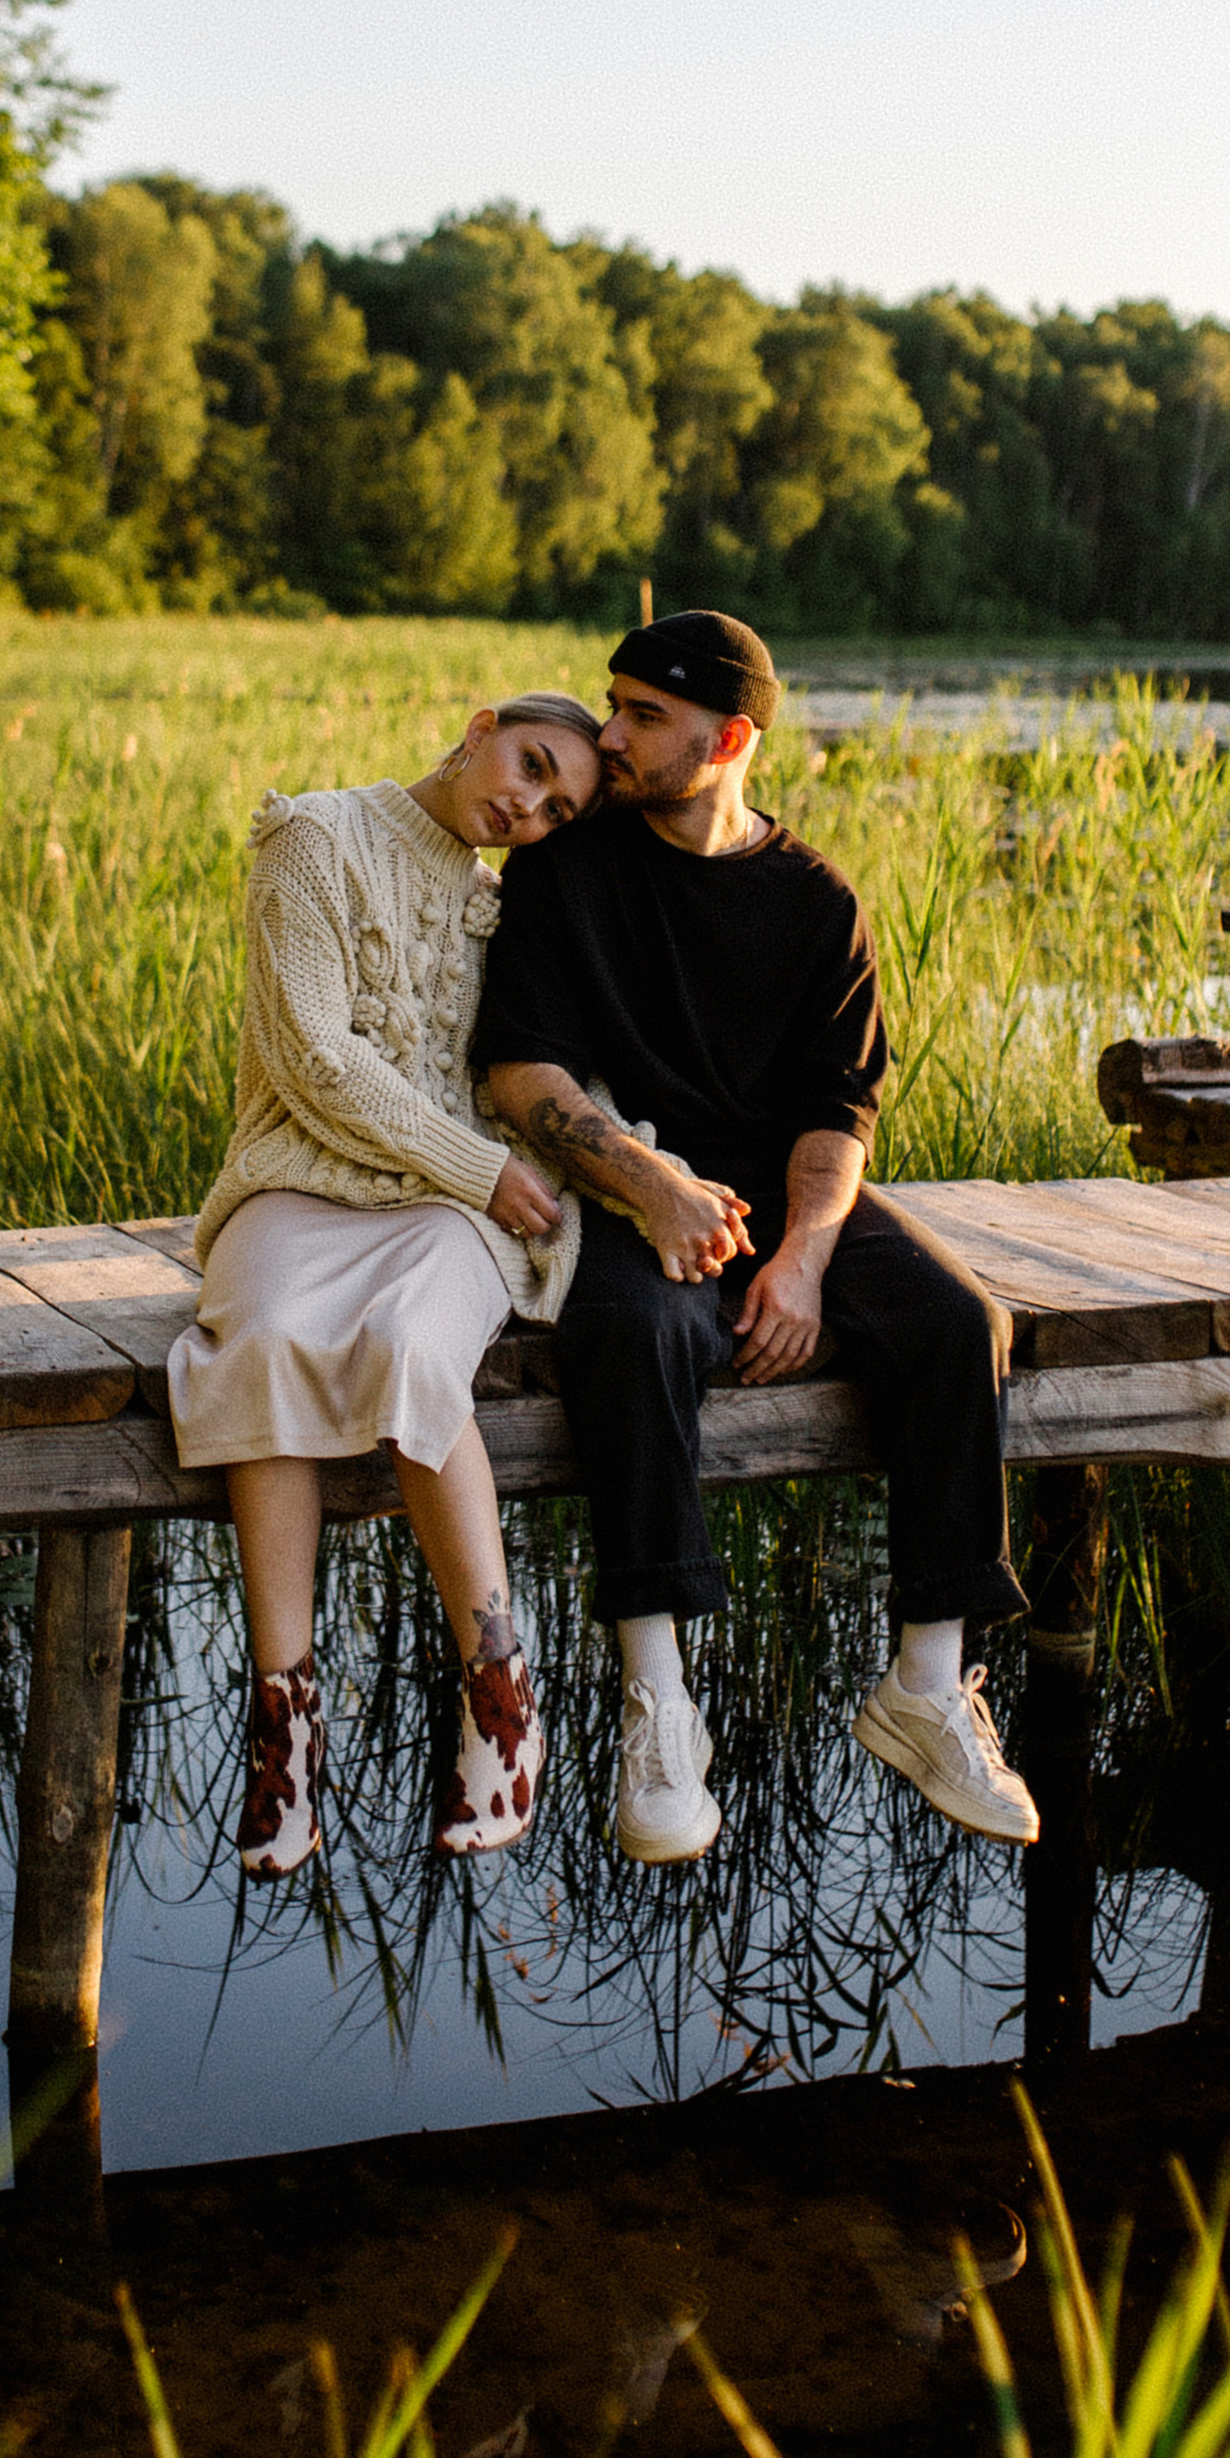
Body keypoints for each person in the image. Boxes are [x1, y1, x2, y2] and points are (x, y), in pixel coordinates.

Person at [475, 608, 1034, 1866]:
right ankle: (657, 1704)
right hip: (629, 1173)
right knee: (633, 1327)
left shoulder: (816, 900)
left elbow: (837, 1117)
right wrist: (647, 1187)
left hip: (776, 1186)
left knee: (959, 1325)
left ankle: (928, 1687)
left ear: (726, 739)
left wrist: (804, 1258)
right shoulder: (570, 871)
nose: (608, 736)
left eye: (643, 718)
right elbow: (523, 1072)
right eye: (609, 705)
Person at [168, 692, 607, 1881]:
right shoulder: (311, 838)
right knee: (258, 1338)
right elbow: (315, 1056)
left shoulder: (510, 896)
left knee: (417, 1347)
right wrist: (482, 1163)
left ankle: (499, 1694)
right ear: (477, 727)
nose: (526, 804)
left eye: (556, 805)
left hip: (446, 1215)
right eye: (527, 765)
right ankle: (286, 1722)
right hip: (297, 1182)